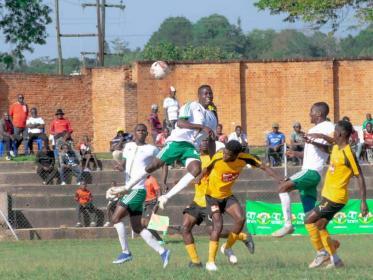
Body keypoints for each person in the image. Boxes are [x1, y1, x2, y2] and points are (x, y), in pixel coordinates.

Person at [110, 85, 218, 215]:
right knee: (154, 166)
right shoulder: (192, 106)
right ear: (199, 95)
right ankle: (126, 187)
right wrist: (201, 127)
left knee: (196, 170)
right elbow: (180, 123)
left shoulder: (212, 117)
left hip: (191, 147)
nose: (209, 96)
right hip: (177, 141)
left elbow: (211, 140)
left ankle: (166, 197)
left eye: (210, 94)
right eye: (205, 94)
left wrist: (213, 160)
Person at [203, 140, 282, 271]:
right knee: (218, 226)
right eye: (225, 152)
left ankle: (227, 247)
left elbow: (264, 166)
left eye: (228, 154)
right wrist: (199, 177)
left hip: (227, 196)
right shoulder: (218, 157)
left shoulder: (245, 159)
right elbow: (206, 169)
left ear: (236, 155)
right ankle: (210, 262)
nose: (225, 156)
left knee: (241, 219)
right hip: (212, 197)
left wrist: (278, 178)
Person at [304, 120, 368, 269]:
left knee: (308, 220)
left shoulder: (348, 153)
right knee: (320, 226)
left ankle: (322, 253)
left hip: (335, 198)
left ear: (340, 133)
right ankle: (336, 259)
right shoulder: (336, 148)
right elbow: (327, 148)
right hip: (329, 196)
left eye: (335, 131)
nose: (333, 133)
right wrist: (312, 141)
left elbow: (359, 175)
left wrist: (363, 201)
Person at [107, 124, 170, 267]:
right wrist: (120, 167)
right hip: (128, 189)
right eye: (138, 130)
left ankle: (126, 252)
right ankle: (163, 251)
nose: (141, 132)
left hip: (138, 189)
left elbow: (164, 162)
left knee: (115, 218)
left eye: (143, 131)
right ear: (134, 133)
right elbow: (124, 164)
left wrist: (163, 181)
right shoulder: (128, 146)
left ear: (147, 133)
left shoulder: (151, 149)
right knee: (137, 227)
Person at [272, 102, 335, 238]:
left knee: (282, 187)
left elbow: (331, 147)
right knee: (311, 218)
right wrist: (295, 154)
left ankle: (288, 225)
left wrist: (313, 141)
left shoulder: (328, 126)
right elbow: (313, 153)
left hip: (311, 172)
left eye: (311, 112)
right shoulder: (314, 130)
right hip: (311, 173)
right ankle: (329, 252)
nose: (309, 115)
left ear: (318, 114)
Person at [181, 137, 212, 268]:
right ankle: (196, 261)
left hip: (210, 200)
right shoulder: (195, 161)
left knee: (214, 232)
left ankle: (241, 236)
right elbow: (192, 177)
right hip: (197, 201)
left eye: (206, 141)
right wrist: (179, 182)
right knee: (185, 227)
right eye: (201, 142)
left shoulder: (215, 158)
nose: (204, 143)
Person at [142, 175, 164, 243]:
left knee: (147, 223)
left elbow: (159, 191)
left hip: (152, 202)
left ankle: (160, 240)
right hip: (145, 203)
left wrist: (158, 203)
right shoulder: (140, 179)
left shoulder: (152, 179)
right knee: (142, 223)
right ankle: (154, 237)